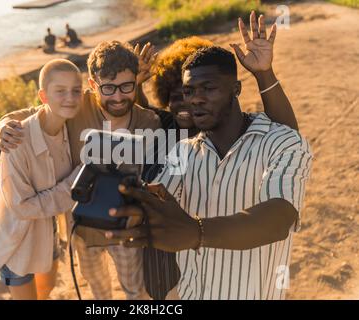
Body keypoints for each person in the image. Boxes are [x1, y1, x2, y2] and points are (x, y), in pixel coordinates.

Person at [106, 15, 313, 300]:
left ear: (236, 90)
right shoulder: (181, 150)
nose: (196, 99)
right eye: (189, 91)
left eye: (209, 89)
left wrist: (197, 232)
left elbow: (278, 219)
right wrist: (130, 200)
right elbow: (159, 194)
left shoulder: (281, 142)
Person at [0, 41, 160, 300]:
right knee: (99, 291)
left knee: (134, 291)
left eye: (127, 86)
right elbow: (35, 113)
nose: (117, 97)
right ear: (93, 86)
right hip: (82, 229)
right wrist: (3, 124)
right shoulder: (79, 105)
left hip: (125, 227)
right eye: (108, 88)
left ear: (136, 83)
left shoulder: (149, 122)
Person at [0, 59, 83, 300]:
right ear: (43, 96)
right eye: (60, 91)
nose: (70, 97)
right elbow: (22, 206)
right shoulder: (16, 140)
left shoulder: (70, 128)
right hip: (14, 237)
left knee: (46, 290)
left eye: (76, 90)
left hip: (46, 230)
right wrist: (76, 183)